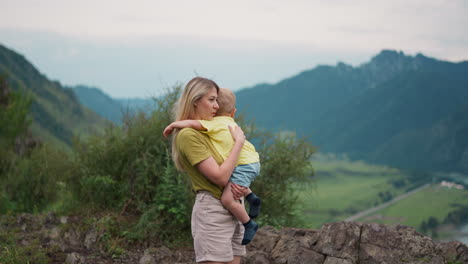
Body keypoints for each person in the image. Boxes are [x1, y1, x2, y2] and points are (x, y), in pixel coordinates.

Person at [165, 77, 250, 264]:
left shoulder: (211, 129)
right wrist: (239, 143)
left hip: (234, 206)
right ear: (196, 101)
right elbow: (220, 177)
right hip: (213, 210)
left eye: (217, 100)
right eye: (211, 100)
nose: (216, 105)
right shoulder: (188, 135)